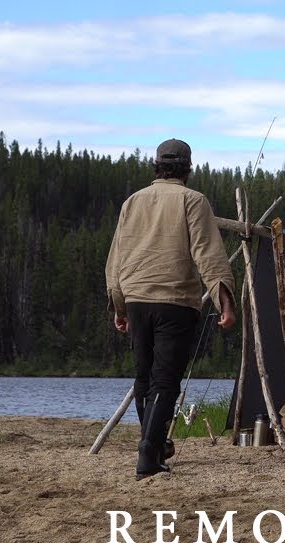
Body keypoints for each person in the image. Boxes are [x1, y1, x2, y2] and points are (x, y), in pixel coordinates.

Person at [105, 138, 237, 479]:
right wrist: (224, 301)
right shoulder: (193, 201)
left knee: (144, 378)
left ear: (157, 166)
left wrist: (119, 306)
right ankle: (149, 456)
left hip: (136, 301)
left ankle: (156, 444)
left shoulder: (132, 202)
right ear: (188, 168)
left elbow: (116, 259)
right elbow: (208, 253)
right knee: (165, 381)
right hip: (176, 302)